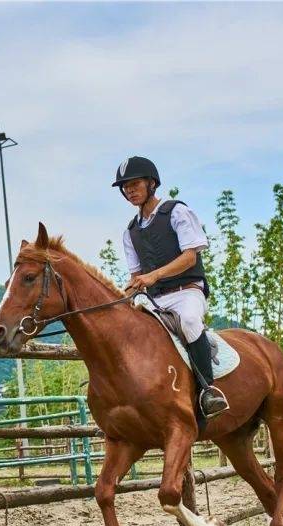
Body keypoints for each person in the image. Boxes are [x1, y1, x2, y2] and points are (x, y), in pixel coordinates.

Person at [113, 156, 228, 419]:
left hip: (187, 291)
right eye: (125, 187)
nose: (129, 190)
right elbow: (136, 276)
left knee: (188, 321)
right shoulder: (130, 232)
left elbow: (190, 257)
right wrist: (122, 296)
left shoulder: (176, 211)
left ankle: (208, 392)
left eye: (134, 184)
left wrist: (153, 276)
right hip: (154, 300)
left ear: (151, 183)